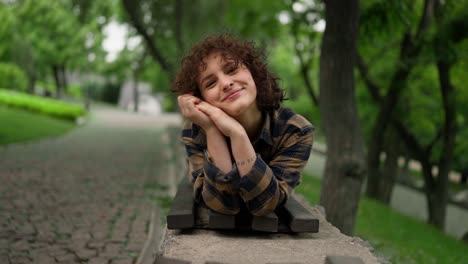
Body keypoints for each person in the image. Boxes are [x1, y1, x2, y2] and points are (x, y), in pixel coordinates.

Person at [173, 34, 314, 216]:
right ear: (201, 100)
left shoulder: (295, 131)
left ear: (253, 73)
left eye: (232, 69)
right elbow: (223, 206)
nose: (226, 83)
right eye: (211, 83)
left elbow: (266, 204)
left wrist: (237, 134)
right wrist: (212, 129)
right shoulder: (195, 131)